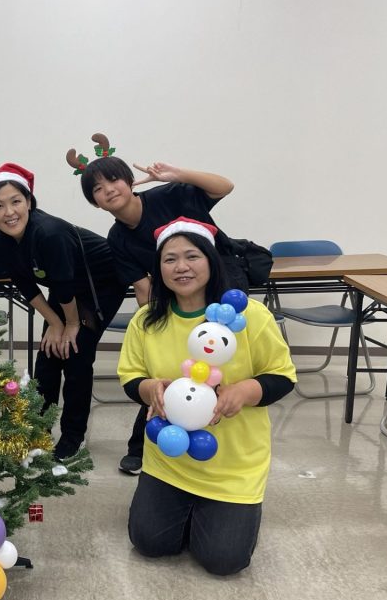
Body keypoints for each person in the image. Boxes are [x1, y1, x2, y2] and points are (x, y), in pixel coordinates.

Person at [118, 218, 295, 576]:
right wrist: (150, 389)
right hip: (169, 460)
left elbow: (282, 376)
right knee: (149, 543)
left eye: (192, 256)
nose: (181, 267)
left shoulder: (249, 316)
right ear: (158, 269)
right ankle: (187, 507)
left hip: (233, 465)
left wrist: (244, 391)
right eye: (169, 259)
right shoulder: (147, 320)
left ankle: (222, 513)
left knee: (223, 560)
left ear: (211, 261)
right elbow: (130, 376)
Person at [71, 133, 238, 477]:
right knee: (168, 368)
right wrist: (154, 329)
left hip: (222, 284)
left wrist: (178, 174)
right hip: (176, 298)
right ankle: (141, 446)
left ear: (129, 181)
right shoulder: (117, 238)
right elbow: (144, 289)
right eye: (98, 189)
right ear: (95, 203)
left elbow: (225, 186)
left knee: (215, 362)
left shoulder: (167, 196)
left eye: (113, 180)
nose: (109, 190)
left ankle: (217, 435)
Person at [0, 162, 128, 460]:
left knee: (75, 354)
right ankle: (39, 430)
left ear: (29, 202)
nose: (9, 212)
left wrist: (70, 325)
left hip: (100, 283)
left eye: (16, 201)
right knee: (48, 357)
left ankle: (74, 436)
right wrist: (55, 323)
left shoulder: (49, 233)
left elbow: (63, 285)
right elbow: (25, 284)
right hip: (65, 289)